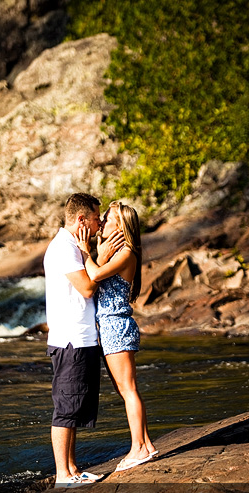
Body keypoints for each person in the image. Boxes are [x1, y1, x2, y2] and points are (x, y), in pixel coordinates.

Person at [43, 192, 122, 487]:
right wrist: (93, 252)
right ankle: (63, 475)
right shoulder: (65, 248)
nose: (100, 223)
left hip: (81, 338)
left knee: (74, 407)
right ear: (80, 220)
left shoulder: (72, 246)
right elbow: (87, 289)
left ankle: (72, 469)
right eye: (96, 218)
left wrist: (91, 253)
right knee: (65, 408)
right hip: (71, 340)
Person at [76, 200, 158, 472]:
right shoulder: (116, 252)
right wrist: (98, 251)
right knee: (126, 390)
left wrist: (85, 251)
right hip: (110, 327)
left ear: (119, 225)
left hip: (116, 326)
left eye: (107, 218)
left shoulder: (126, 252)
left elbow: (96, 274)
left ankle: (138, 448)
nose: (101, 223)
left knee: (129, 389)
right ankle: (145, 444)